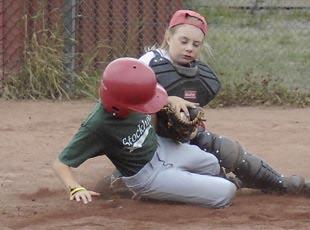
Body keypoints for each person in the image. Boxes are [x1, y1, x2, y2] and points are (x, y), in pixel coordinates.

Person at [98, 10, 310, 198]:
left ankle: (278, 184)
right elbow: (129, 99)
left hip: (181, 139)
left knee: (230, 151)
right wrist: (167, 100)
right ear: (168, 36)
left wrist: (193, 127)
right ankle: (119, 180)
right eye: (183, 41)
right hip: (146, 142)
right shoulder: (149, 62)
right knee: (133, 182)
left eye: (196, 44)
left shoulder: (198, 73)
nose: (189, 48)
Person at [53, 57, 237, 208]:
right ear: (120, 102)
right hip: (146, 176)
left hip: (162, 149)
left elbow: (158, 98)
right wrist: (75, 188)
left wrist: (172, 101)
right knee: (225, 192)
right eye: (142, 102)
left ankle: (175, 186)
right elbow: (61, 163)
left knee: (212, 164)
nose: (147, 106)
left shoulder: (130, 93)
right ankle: (155, 192)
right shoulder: (97, 126)